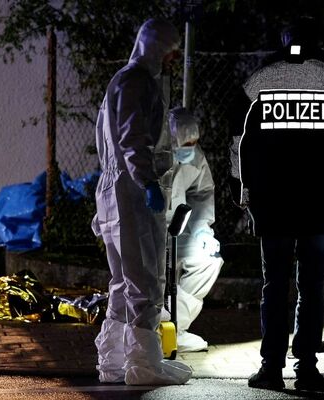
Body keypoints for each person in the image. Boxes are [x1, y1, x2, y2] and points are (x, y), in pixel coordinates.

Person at [229, 16, 324, 392]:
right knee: (311, 284)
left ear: (283, 42)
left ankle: (271, 368)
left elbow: (238, 140)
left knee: (274, 284)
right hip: (318, 200)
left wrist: (242, 187)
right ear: (316, 42)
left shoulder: (259, 82)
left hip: (271, 201)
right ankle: (306, 369)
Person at [91, 18, 192, 385]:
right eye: (170, 52)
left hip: (113, 189)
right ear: (157, 48)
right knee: (145, 279)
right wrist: (148, 181)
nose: (172, 60)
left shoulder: (120, 80)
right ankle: (143, 364)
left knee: (122, 280)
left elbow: (110, 141)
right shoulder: (138, 82)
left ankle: (115, 360)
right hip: (132, 193)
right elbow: (134, 138)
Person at [160, 107, 224, 352]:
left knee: (208, 261)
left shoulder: (194, 157)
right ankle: (148, 333)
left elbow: (202, 193)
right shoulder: (153, 156)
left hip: (177, 229)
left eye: (194, 142)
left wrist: (202, 230)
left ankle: (174, 329)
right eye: (186, 143)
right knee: (151, 278)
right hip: (147, 230)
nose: (191, 148)